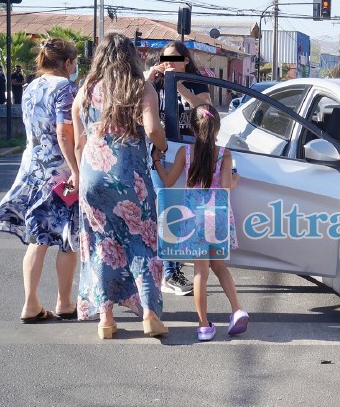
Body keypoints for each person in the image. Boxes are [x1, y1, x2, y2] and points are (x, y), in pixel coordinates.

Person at [72, 32, 168, 339]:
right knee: (142, 242)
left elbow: (78, 142)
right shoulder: (141, 88)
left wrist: (79, 174)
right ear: (132, 57)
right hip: (131, 179)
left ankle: (106, 319)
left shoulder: (86, 90)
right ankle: (150, 314)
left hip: (92, 176)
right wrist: (161, 147)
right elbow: (153, 130)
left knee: (102, 245)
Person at [0, 38, 80, 324]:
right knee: (67, 238)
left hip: (32, 168)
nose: (75, 66)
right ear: (67, 62)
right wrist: (76, 170)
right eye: (74, 61)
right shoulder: (65, 87)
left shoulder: (31, 86)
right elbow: (64, 133)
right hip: (59, 171)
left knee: (38, 238)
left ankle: (30, 304)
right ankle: (65, 303)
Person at [153, 103, 248, 341]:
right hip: (217, 217)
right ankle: (237, 310)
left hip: (194, 219)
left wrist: (156, 161)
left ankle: (204, 325)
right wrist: (235, 181)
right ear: (217, 128)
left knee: (200, 273)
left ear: (193, 129)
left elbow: (168, 181)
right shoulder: (224, 153)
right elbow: (225, 188)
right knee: (220, 267)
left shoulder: (184, 153)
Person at [145, 40, 211, 296]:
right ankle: (170, 273)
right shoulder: (155, 82)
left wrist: (180, 86)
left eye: (174, 58)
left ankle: (171, 269)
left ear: (186, 60)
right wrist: (150, 78)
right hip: (159, 153)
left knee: (181, 211)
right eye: (165, 58)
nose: (169, 63)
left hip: (188, 152)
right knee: (168, 209)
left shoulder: (195, 81)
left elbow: (205, 111)